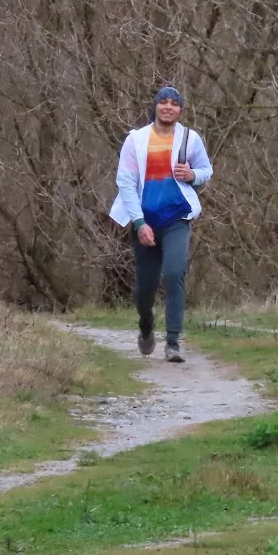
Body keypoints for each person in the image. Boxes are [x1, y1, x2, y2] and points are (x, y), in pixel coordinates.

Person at [109, 87, 213, 363]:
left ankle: (173, 342)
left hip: (177, 216)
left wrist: (192, 174)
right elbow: (126, 183)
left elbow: (206, 171)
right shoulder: (136, 140)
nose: (168, 107)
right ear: (155, 106)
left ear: (181, 110)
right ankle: (146, 325)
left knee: (174, 272)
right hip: (145, 219)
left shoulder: (190, 139)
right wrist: (139, 222)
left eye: (174, 104)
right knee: (145, 287)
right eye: (163, 102)